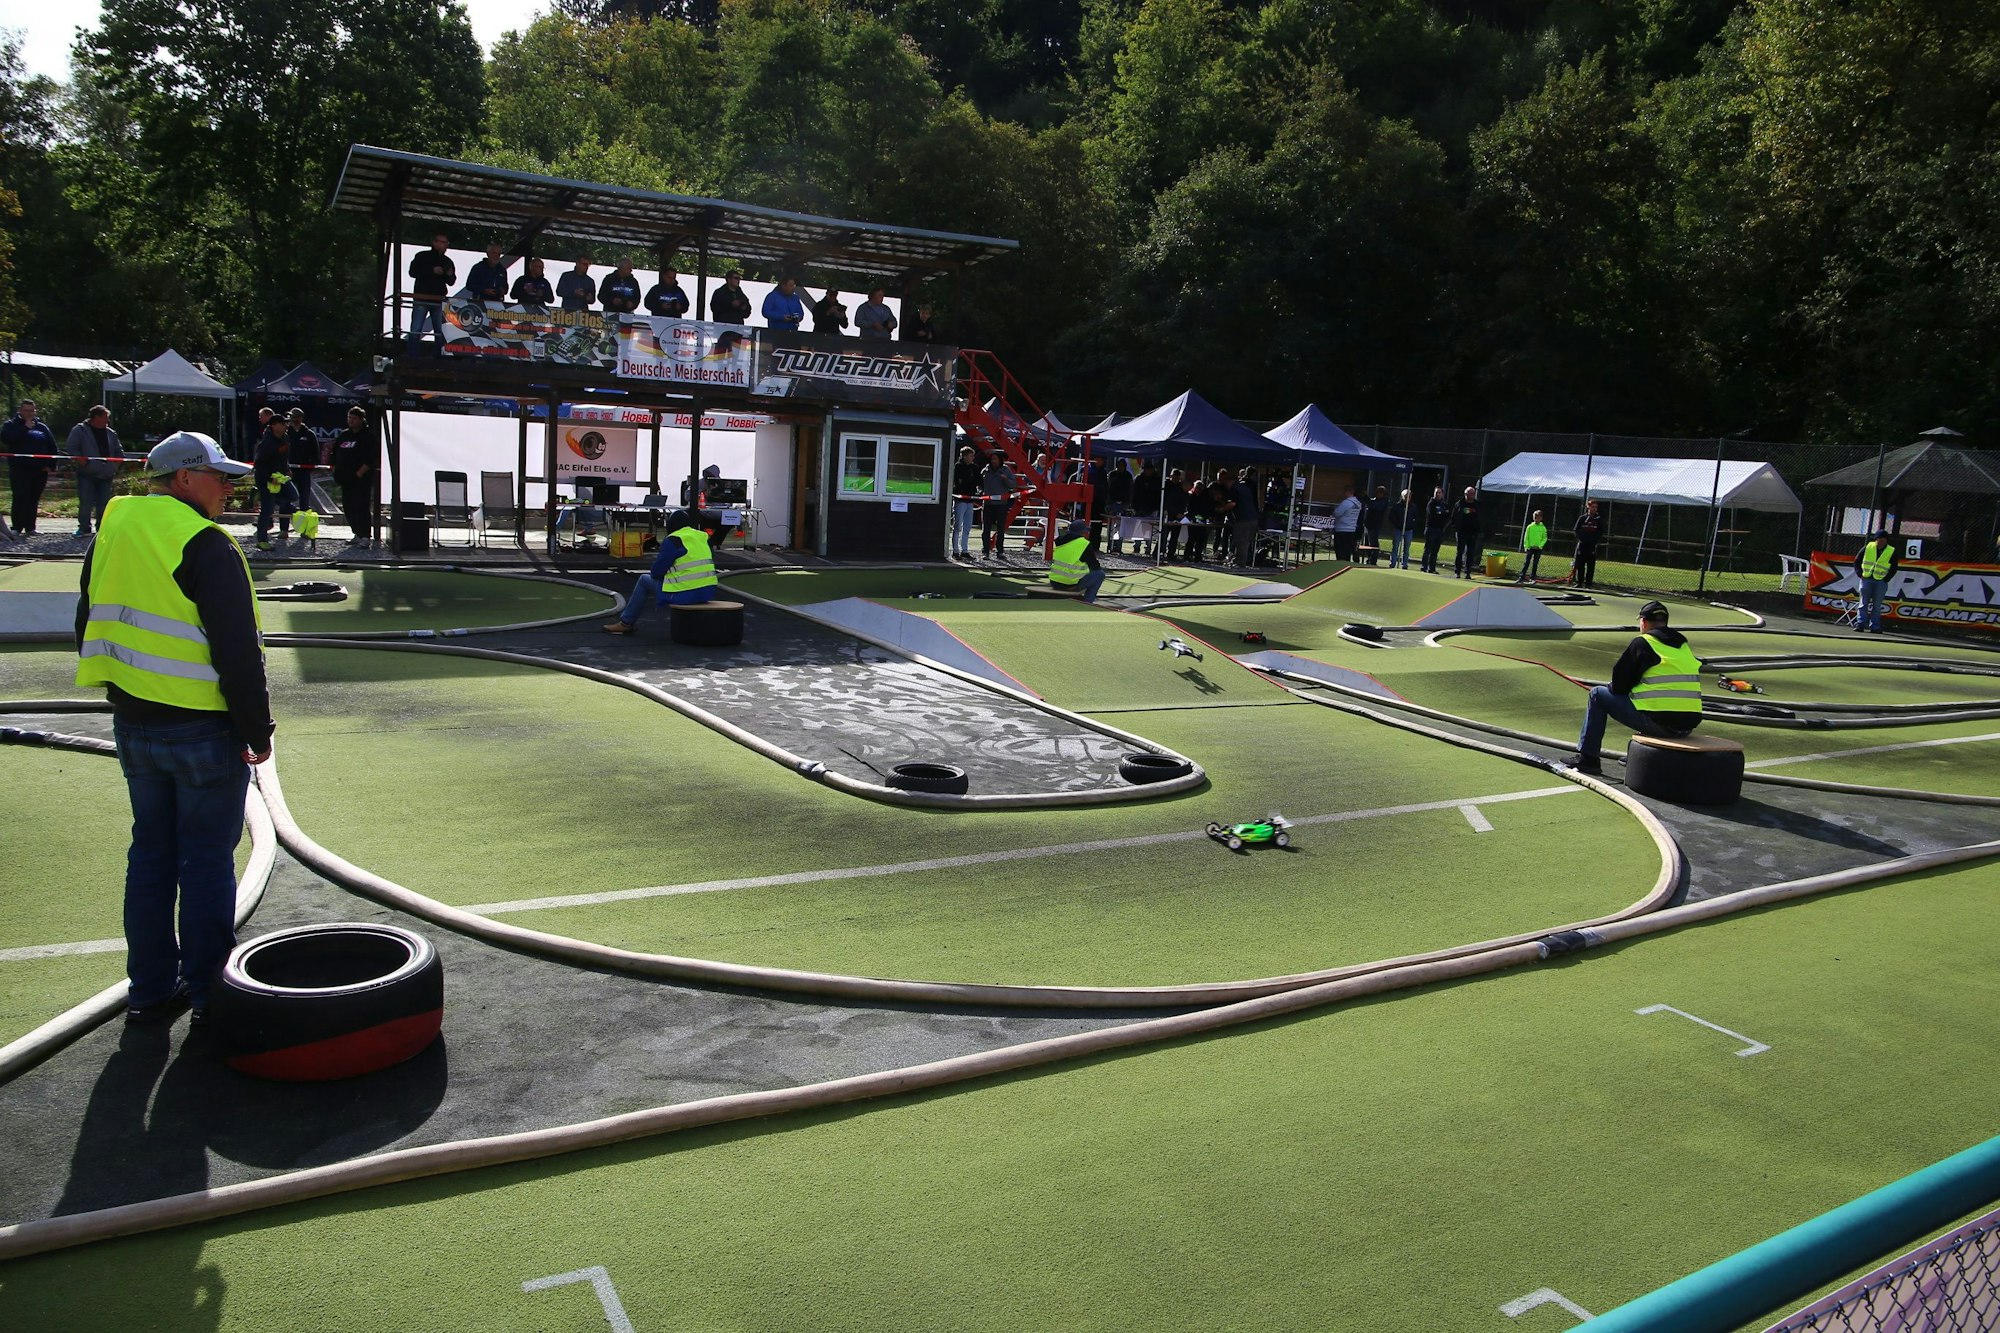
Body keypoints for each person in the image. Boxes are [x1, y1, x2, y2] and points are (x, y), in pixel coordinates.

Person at [75, 431, 271, 1025]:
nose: (228, 490)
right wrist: (256, 731)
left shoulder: (113, 532)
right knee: (207, 861)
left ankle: (149, 988)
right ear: (184, 479)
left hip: (134, 724)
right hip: (202, 731)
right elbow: (238, 650)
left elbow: (88, 618)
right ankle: (211, 992)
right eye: (219, 477)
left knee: (151, 856)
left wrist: (124, 692)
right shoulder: (205, 544)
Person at [1570, 600, 1701, 774]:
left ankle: (1588, 758)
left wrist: (1613, 687)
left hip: (1661, 725)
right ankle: (1637, 755)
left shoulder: (1643, 643)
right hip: (1686, 727)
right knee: (1646, 697)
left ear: (1644, 622)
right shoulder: (1683, 646)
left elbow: (1619, 686)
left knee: (1597, 695)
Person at [602, 510, 717, 634]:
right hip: (708, 592)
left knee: (644, 580)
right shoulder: (703, 537)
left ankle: (626, 622)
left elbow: (656, 572)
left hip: (685, 594)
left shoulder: (673, 540)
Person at [3, 399, 58, 538]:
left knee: (34, 498)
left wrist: (51, 465)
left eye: (32, 411)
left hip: (39, 470)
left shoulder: (41, 427)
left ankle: (30, 527)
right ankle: (16, 527)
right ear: (20, 411)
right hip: (20, 469)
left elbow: (52, 446)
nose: (29, 413)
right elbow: (7, 439)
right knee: (21, 497)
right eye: (26, 410)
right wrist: (25, 428)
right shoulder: (11, 425)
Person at [66, 404, 123, 539]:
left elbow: (119, 452)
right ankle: (84, 528)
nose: (107, 421)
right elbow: (72, 449)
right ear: (96, 417)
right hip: (87, 474)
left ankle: (102, 528)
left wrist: (114, 466)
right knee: (86, 501)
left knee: (104, 503)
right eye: (105, 417)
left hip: (106, 474)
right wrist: (84, 463)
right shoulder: (79, 430)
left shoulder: (111, 433)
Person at [331, 406, 379, 548]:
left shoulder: (368, 436)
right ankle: (356, 533)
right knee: (348, 507)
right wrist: (335, 468)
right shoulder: (344, 435)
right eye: (349, 418)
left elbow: (371, 458)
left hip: (361, 479)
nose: (351, 421)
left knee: (361, 507)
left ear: (361, 419)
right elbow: (335, 452)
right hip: (345, 479)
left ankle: (365, 536)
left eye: (354, 418)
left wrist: (359, 473)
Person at [252, 414, 296, 551]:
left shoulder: (285, 438)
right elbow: (259, 464)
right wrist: (270, 479)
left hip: (281, 476)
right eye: (283, 424)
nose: (286, 426)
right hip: (266, 479)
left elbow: (284, 457)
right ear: (275, 425)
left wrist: (287, 469)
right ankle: (262, 540)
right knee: (267, 510)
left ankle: (261, 495)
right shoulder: (267, 443)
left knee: (293, 496)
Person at [406, 233, 454, 349]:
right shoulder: (422, 256)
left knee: (440, 329)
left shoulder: (447, 261)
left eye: (446, 243)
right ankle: (412, 354)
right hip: (422, 297)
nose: (444, 245)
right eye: (442, 242)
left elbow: (451, 281)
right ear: (434, 242)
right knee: (416, 328)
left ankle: (440, 355)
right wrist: (431, 270)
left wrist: (449, 275)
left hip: (438, 300)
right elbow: (412, 272)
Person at [1049, 519, 1107, 602]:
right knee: (1099, 574)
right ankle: (1087, 602)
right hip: (1069, 584)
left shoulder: (1059, 541)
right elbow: (1095, 566)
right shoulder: (1083, 544)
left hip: (1054, 582)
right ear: (1082, 532)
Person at [1854, 528, 1900, 633]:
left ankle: (1874, 626)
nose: (1881, 541)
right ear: (1875, 539)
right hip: (1866, 579)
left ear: (1886, 540)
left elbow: (1894, 567)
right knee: (1863, 603)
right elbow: (1857, 560)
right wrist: (1860, 574)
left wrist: (1887, 578)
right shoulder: (1868, 547)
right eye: (1879, 538)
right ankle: (1860, 624)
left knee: (1877, 605)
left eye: (1883, 539)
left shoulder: (1891, 551)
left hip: (1881, 581)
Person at [285, 408, 324, 515]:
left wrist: (309, 469)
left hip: (304, 472)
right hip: (288, 471)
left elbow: (315, 455)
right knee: (285, 500)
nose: (291, 419)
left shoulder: (309, 434)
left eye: (293, 417)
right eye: (290, 417)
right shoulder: (286, 433)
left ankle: (304, 528)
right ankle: (284, 529)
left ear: (300, 418)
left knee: (304, 500)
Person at [980, 453, 1016, 557]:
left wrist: (1005, 479)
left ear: (1000, 460)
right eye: (992, 459)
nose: (993, 461)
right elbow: (980, 483)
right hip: (988, 504)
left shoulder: (1006, 470)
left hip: (1001, 505)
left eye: (995, 459)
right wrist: (982, 493)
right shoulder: (985, 471)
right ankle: (985, 551)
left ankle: (1000, 551)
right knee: (985, 529)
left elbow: (1013, 485)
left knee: (1000, 530)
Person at [949, 444, 980, 558]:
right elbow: (958, 482)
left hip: (970, 500)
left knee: (967, 526)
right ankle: (955, 550)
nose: (972, 458)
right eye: (971, 456)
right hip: (959, 500)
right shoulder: (958, 467)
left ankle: (965, 550)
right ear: (964, 456)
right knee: (957, 526)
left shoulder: (974, 468)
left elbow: (978, 481)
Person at [1231, 467, 1263, 568]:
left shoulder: (1241, 485)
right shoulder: (1251, 485)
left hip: (1244, 517)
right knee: (1245, 541)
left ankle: (1240, 562)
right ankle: (1240, 560)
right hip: (1251, 516)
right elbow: (1254, 500)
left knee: (1241, 541)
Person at [1451, 486, 1482, 578]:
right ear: (1466, 494)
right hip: (1461, 532)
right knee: (1460, 552)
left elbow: (1481, 517)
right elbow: (1454, 516)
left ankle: (1467, 572)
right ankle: (1457, 571)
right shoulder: (1459, 504)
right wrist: (1455, 527)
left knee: (1470, 553)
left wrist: (1479, 529)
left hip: (1473, 532)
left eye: (1473, 493)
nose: (1472, 495)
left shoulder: (1477, 505)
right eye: (1470, 493)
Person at [1572, 499, 1603, 588]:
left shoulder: (1598, 519)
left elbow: (1600, 532)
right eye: (1592, 507)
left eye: (1596, 507)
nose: (1594, 509)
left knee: (1590, 566)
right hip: (1582, 545)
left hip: (1592, 546)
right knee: (1580, 564)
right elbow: (1576, 530)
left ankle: (1588, 584)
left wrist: (1594, 540)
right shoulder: (1582, 518)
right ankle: (1579, 582)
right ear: (1588, 507)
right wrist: (1582, 539)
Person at [1420, 486, 1450, 573]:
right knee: (1428, 549)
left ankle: (1432, 568)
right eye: (1436, 492)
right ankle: (1424, 566)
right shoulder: (1431, 503)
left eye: (1439, 492)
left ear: (1442, 494)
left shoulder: (1444, 505)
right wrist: (1442, 514)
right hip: (1431, 529)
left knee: (1435, 550)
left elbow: (1447, 516)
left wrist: (1441, 514)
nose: (1437, 494)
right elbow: (1433, 515)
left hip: (1440, 530)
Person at [1161, 469, 1189, 561]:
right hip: (1169, 514)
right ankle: (1159, 552)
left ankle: (1171, 553)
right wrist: (1176, 513)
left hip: (1179, 516)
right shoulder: (1174, 489)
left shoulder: (1185, 493)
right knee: (1164, 534)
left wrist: (1183, 514)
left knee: (1175, 536)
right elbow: (1170, 503)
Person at [1331, 486, 1362, 562]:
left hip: (1342, 529)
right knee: (1347, 552)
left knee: (1340, 552)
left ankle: (1340, 566)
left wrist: (1335, 508)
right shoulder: (1358, 504)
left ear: (1348, 492)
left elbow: (1337, 513)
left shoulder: (1346, 503)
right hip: (1351, 529)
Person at [1519, 510, 1548, 583]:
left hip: (1538, 549)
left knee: (1535, 563)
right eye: (1535, 517)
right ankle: (1521, 577)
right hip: (1530, 548)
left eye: (1537, 517)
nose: (1536, 518)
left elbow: (1544, 538)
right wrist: (1526, 546)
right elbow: (1526, 537)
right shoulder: (1529, 527)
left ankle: (1533, 578)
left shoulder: (1543, 528)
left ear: (1541, 518)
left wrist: (1540, 546)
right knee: (1526, 563)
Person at [1392, 488, 1418, 569]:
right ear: (1402, 496)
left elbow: (1416, 518)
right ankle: (1393, 562)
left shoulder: (1413, 507)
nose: (1408, 498)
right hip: (1398, 529)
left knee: (1406, 548)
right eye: (1406, 496)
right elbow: (1392, 517)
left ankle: (1405, 564)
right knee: (1395, 546)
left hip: (1408, 530)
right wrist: (1397, 524)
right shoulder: (1397, 506)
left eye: (1409, 496)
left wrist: (1411, 525)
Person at [1364, 484, 1390, 559]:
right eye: (1377, 492)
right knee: (1367, 543)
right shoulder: (1373, 500)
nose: (1377, 494)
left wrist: (1366, 498)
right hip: (1368, 524)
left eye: (1380, 492)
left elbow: (1376, 507)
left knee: (1373, 543)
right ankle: (1369, 557)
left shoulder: (1384, 501)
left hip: (1375, 525)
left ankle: (1373, 559)